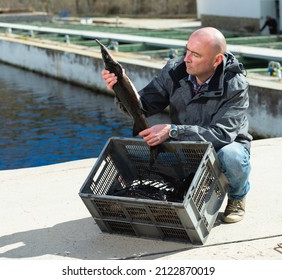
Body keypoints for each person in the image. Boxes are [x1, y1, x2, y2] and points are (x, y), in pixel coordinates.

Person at [101, 27, 252, 223]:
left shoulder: (235, 85)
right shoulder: (175, 70)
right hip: (185, 143)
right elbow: (143, 106)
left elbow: (222, 134)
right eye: (187, 50)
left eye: (195, 55)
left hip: (222, 145)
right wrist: (120, 88)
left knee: (232, 156)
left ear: (217, 61)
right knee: (133, 154)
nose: (186, 58)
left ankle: (237, 197)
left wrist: (172, 131)